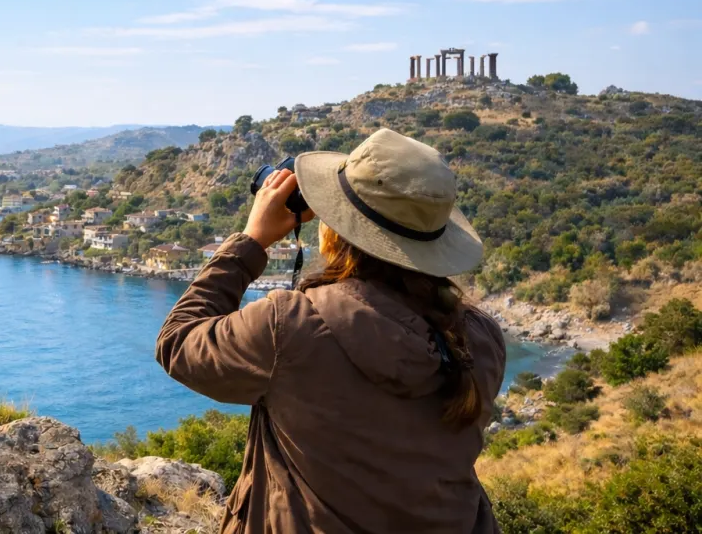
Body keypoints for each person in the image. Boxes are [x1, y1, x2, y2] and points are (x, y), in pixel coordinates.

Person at [156, 128, 506, 533]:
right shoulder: (480, 339)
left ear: (335, 231)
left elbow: (178, 342)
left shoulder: (291, 327)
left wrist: (252, 240)